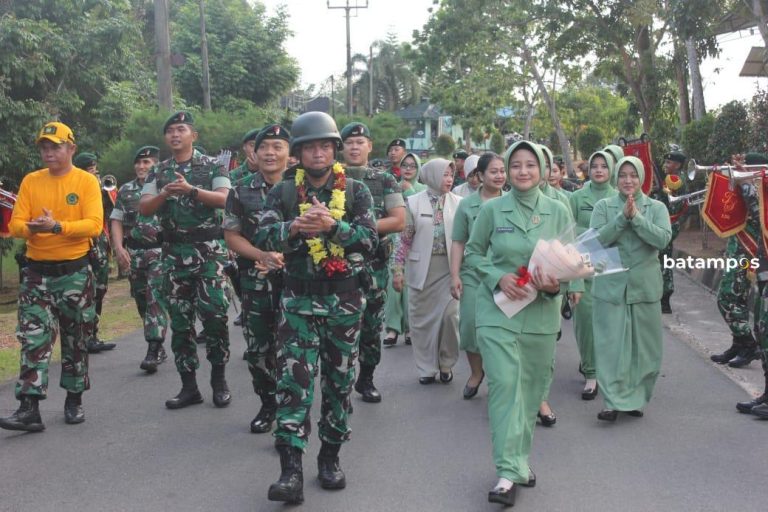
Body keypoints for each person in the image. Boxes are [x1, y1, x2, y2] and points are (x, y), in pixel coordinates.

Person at [254, 112, 377, 504]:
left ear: (334, 150)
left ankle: (330, 457)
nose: (318, 153)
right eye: (310, 147)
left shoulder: (356, 191)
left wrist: (333, 229)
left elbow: (370, 240)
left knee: (339, 384)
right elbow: (262, 233)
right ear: (299, 154)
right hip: (298, 302)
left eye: (325, 145)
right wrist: (292, 228)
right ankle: (290, 470)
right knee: (293, 383)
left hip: (344, 301)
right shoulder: (284, 193)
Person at [464, 141, 577, 506]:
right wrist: (498, 276)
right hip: (497, 313)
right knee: (505, 385)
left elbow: (573, 261)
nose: (523, 171)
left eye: (531, 165)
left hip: (541, 315)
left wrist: (558, 284)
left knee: (530, 390)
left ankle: (518, 461)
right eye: (516, 165)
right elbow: (473, 253)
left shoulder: (559, 211)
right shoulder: (492, 210)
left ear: (544, 170)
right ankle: (507, 472)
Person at [0, 121, 102, 431]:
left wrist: (58, 227)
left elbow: (94, 225)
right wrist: (32, 227)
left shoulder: (85, 182)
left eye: (55, 146)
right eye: (44, 147)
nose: (49, 153)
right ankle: (29, 407)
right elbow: (15, 225)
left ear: (71, 148)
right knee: (33, 338)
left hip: (74, 273)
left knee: (76, 338)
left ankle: (74, 399)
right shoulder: (31, 181)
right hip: (36, 273)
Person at [139, 111, 232, 410]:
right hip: (174, 256)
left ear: (194, 135)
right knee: (180, 324)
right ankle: (189, 387)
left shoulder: (213, 165)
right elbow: (144, 208)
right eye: (170, 131)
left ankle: (219, 380)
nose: (175, 135)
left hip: (208, 253)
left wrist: (192, 190)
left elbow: (225, 198)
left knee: (215, 317)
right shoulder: (159, 171)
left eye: (181, 129)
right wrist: (165, 193)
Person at [590, 156, 671, 421]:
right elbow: (597, 240)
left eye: (633, 175)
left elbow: (661, 239)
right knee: (610, 346)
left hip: (644, 287)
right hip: (610, 288)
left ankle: (636, 399)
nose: (628, 180)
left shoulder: (656, 207)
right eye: (623, 175)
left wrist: (636, 217)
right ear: (616, 177)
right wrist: (621, 219)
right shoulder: (603, 206)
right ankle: (612, 401)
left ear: (641, 178)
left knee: (645, 349)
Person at [223, 124, 290, 434]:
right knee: (258, 346)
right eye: (264, 147)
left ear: (290, 154)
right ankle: (268, 403)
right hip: (255, 279)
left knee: (294, 347)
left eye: (278, 146)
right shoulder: (241, 190)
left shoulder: (300, 187)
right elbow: (232, 235)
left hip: (297, 279)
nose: (270, 153)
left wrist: (285, 258)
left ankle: (293, 406)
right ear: (254, 152)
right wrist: (261, 256)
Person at [341, 122, 405, 403]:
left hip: (374, 265)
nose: (354, 147)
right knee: (339, 327)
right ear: (341, 147)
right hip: (336, 265)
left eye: (360, 142)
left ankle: (366, 378)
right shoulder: (330, 177)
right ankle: (339, 380)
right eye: (349, 142)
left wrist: (357, 229)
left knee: (370, 325)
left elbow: (399, 220)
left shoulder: (385, 180)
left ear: (370, 146)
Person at [393, 158, 460, 384]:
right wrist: (398, 269)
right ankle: (426, 368)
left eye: (451, 175)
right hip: (421, 269)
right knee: (421, 322)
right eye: (444, 174)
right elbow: (404, 240)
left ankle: (446, 362)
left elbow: (464, 240)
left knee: (451, 318)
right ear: (431, 175)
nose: (449, 179)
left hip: (450, 270)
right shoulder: (412, 202)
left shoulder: (460, 203)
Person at [450, 152, 506, 399]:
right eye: (493, 172)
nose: (500, 176)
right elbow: (459, 242)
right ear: (480, 176)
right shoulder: (466, 205)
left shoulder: (512, 201)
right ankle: (476, 373)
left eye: (502, 171)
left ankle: (500, 380)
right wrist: (455, 276)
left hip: (505, 274)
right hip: (473, 275)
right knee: (471, 327)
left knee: (502, 331)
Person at [110, 146, 169, 373]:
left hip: (161, 251)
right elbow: (116, 220)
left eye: (147, 162)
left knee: (155, 296)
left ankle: (153, 348)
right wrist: (118, 248)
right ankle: (157, 344)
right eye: (139, 162)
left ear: (156, 165)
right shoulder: (126, 190)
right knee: (141, 299)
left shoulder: (165, 187)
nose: (142, 167)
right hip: (135, 253)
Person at [568, 151, 617, 400]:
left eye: (603, 166)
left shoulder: (619, 197)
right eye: (594, 166)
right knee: (586, 323)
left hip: (610, 267)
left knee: (608, 324)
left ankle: (604, 370)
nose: (598, 170)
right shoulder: (577, 198)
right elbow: (567, 233)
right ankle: (591, 373)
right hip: (582, 266)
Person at [73, 152, 116, 354]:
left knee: (100, 290)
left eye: (95, 168)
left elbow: (109, 211)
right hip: (84, 247)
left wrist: (102, 189)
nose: (94, 172)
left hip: (100, 244)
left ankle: (93, 335)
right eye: (90, 169)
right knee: (86, 293)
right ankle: (84, 337)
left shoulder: (100, 188)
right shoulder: (75, 187)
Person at [383, 152, 425, 347]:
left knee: (410, 285)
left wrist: (408, 192)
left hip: (416, 242)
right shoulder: (392, 186)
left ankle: (410, 328)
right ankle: (392, 328)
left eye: (412, 166)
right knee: (394, 283)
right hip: (395, 240)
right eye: (405, 165)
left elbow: (421, 211)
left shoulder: (423, 189)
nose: (408, 169)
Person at [649, 150, 689, 314]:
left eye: (669, 163)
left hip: (669, 224)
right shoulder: (672, 179)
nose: (666, 165)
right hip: (669, 224)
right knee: (663, 259)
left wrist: (657, 193)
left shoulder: (674, 180)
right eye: (665, 162)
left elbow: (671, 204)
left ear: (678, 165)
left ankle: (664, 298)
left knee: (663, 261)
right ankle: (663, 297)